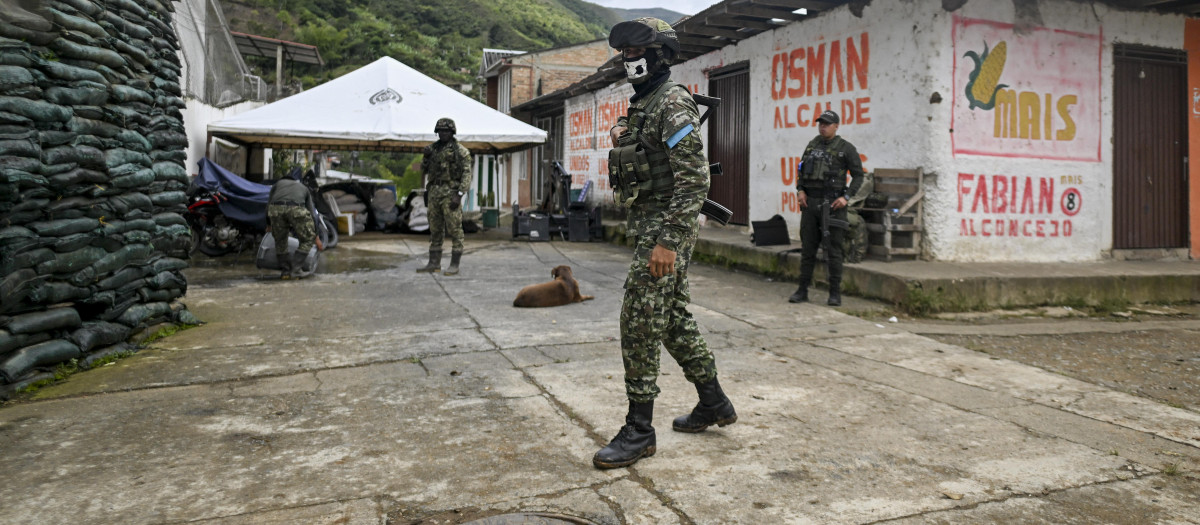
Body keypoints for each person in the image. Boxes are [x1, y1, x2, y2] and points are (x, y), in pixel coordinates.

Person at [593, 17, 736, 470]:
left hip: (665, 229)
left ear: (659, 56)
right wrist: (621, 129)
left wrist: (669, 242)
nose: (628, 60)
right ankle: (713, 401)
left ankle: (640, 429)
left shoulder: (672, 103)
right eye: (624, 54)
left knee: (638, 316)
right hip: (651, 224)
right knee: (671, 317)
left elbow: (694, 182)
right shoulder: (645, 102)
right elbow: (639, 135)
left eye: (636, 53)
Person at [790, 110, 864, 306]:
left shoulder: (845, 148)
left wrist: (846, 197)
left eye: (827, 124)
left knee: (834, 250)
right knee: (808, 249)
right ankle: (802, 290)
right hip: (810, 203)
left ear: (836, 126)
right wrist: (800, 190)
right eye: (821, 123)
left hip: (833, 205)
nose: (823, 126)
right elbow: (801, 169)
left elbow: (859, 175)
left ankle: (834, 293)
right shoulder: (812, 145)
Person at [415, 118, 472, 276]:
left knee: (454, 228)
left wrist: (459, 194)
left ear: (452, 132)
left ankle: (454, 264)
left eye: (446, 131)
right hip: (434, 192)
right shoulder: (432, 149)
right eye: (440, 131)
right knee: (435, 228)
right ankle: (434, 263)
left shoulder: (460, 151)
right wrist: (425, 157)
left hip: (451, 192)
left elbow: (467, 174)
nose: (443, 133)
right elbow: (424, 169)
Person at [267, 168, 322, 279]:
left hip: (276, 210)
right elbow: (312, 213)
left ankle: (285, 272)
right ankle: (296, 270)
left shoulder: (277, 184)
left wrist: (268, 224)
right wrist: (316, 235)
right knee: (307, 239)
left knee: (280, 241)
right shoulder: (303, 188)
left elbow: (268, 206)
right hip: (295, 209)